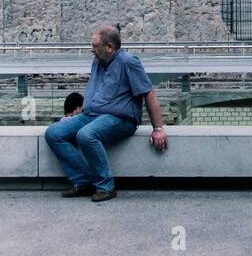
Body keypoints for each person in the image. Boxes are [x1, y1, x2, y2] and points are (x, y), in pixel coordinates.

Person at [44, 26, 167, 202]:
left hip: (120, 119)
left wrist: (158, 128)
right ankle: (83, 181)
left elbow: (149, 93)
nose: (91, 49)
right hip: (91, 115)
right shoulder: (98, 60)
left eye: (95, 45)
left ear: (109, 47)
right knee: (54, 133)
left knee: (86, 135)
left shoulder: (128, 62)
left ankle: (106, 186)